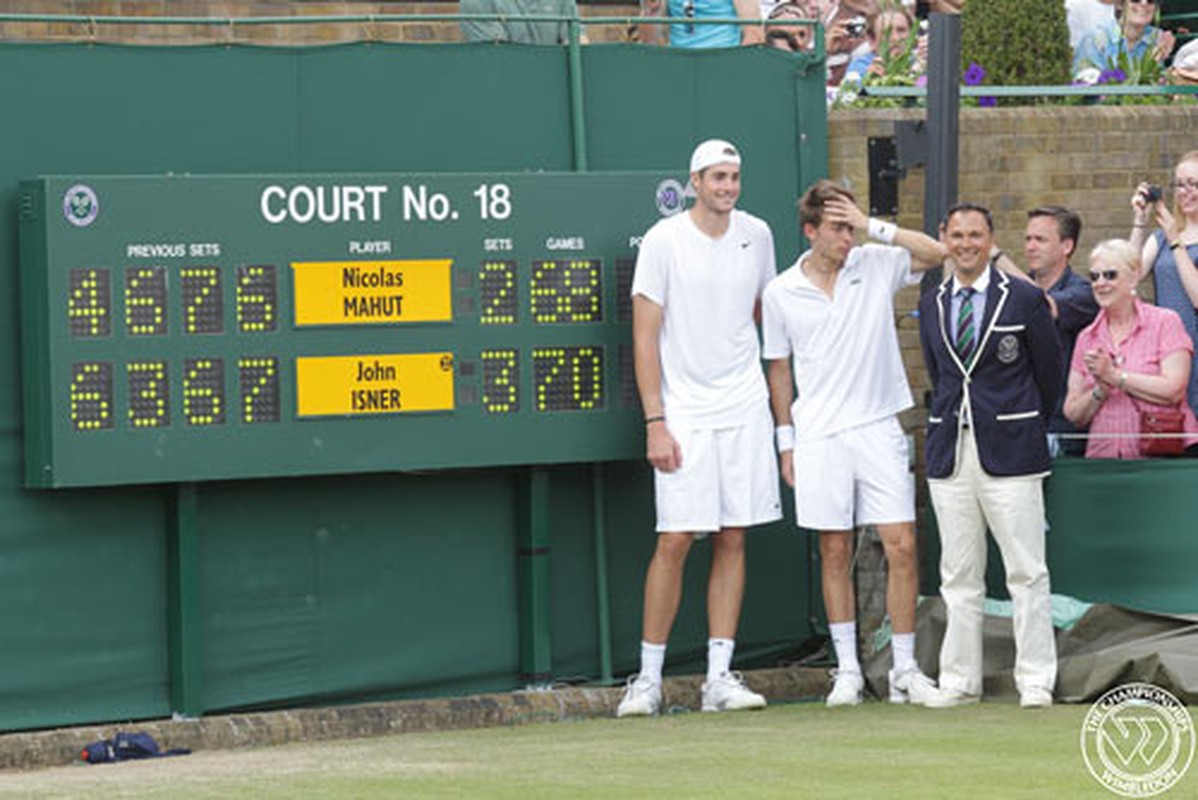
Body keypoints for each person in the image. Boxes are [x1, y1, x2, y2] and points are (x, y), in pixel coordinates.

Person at [762, 182, 946, 707]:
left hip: (878, 425)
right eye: (837, 228)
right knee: (835, 548)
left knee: (902, 545)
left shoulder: (875, 260)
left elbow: (936, 255)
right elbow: (778, 368)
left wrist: (872, 225)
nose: (846, 237)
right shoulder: (779, 292)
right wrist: (785, 442)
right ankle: (846, 670)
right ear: (810, 231)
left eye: (850, 226)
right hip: (817, 433)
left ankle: (905, 670)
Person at [617, 139, 781, 717]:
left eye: (734, 176)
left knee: (734, 535)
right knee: (677, 539)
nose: (727, 187)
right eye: (717, 177)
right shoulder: (663, 241)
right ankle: (649, 680)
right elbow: (644, 336)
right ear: (695, 181)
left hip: (743, 405)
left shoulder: (757, 234)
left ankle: (718, 678)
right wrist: (655, 420)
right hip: (683, 411)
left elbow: (767, 314)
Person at [918, 203, 1061, 710]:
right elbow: (940, 374)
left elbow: (1051, 375)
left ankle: (1036, 679)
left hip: (1013, 451)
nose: (965, 244)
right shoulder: (932, 299)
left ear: (990, 238)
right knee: (958, 574)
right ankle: (960, 680)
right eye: (956, 235)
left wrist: (1017, 422)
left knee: (1026, 571)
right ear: (945, 239)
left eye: (975, 234)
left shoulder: (1022, 297)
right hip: (950, 452)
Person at [1062, 240, 1198, 457]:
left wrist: (1115, 376)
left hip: (1164, 460)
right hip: (1104, 460)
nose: (1100, 283)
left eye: (1110, 275)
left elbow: (1174, 389)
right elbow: (1073, 413)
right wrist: (1101, 389)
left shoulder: (1165, 322)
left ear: (1134, 277)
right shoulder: (1087, 337)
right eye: (1094, 276)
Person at [1023, 206, 1100, 456]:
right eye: (1028, 239)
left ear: (1066, 246)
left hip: (1062, 428)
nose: (1031, 246)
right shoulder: (1013, 290)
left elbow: (1042, 306)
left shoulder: (1085, 293)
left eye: (1040, 239)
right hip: (1017, 423)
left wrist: (995, 256)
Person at [1130, 151, 1198, 414]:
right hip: (1169, 349)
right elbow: (1129, 277)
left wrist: (1176, 241)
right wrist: (1140, 220)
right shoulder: (1161, 238)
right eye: (1180, 184)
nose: (1185, 192)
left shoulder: (1170, 238)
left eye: (1193, 184)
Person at [1073, 0, 1176, 77]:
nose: (1144, 3)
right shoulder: (1095, 39)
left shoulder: (1157, 38)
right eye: (1135, 0)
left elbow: (1157, 88)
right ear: (1120, 4)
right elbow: (1086, 86)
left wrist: (1158, 60)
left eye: (1150, 0)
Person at [843, 3, 924, 81]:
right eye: (885, 33)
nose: (895, 38)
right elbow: (850, 92)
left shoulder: (920, 63)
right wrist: (869, 79)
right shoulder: (860, 67)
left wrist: (917, 74)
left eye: (901, 30)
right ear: (872, 40)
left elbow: (923, 87)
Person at [638, 0, 765, 47]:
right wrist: (650, 12)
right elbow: (649, 41)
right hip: (679, 65)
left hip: (723, 62)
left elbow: (754, 34)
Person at [460, 0, 583, 44]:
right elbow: (497, 64)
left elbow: (580, 51)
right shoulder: (475, 2)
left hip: (555, 89)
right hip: (503, 93)